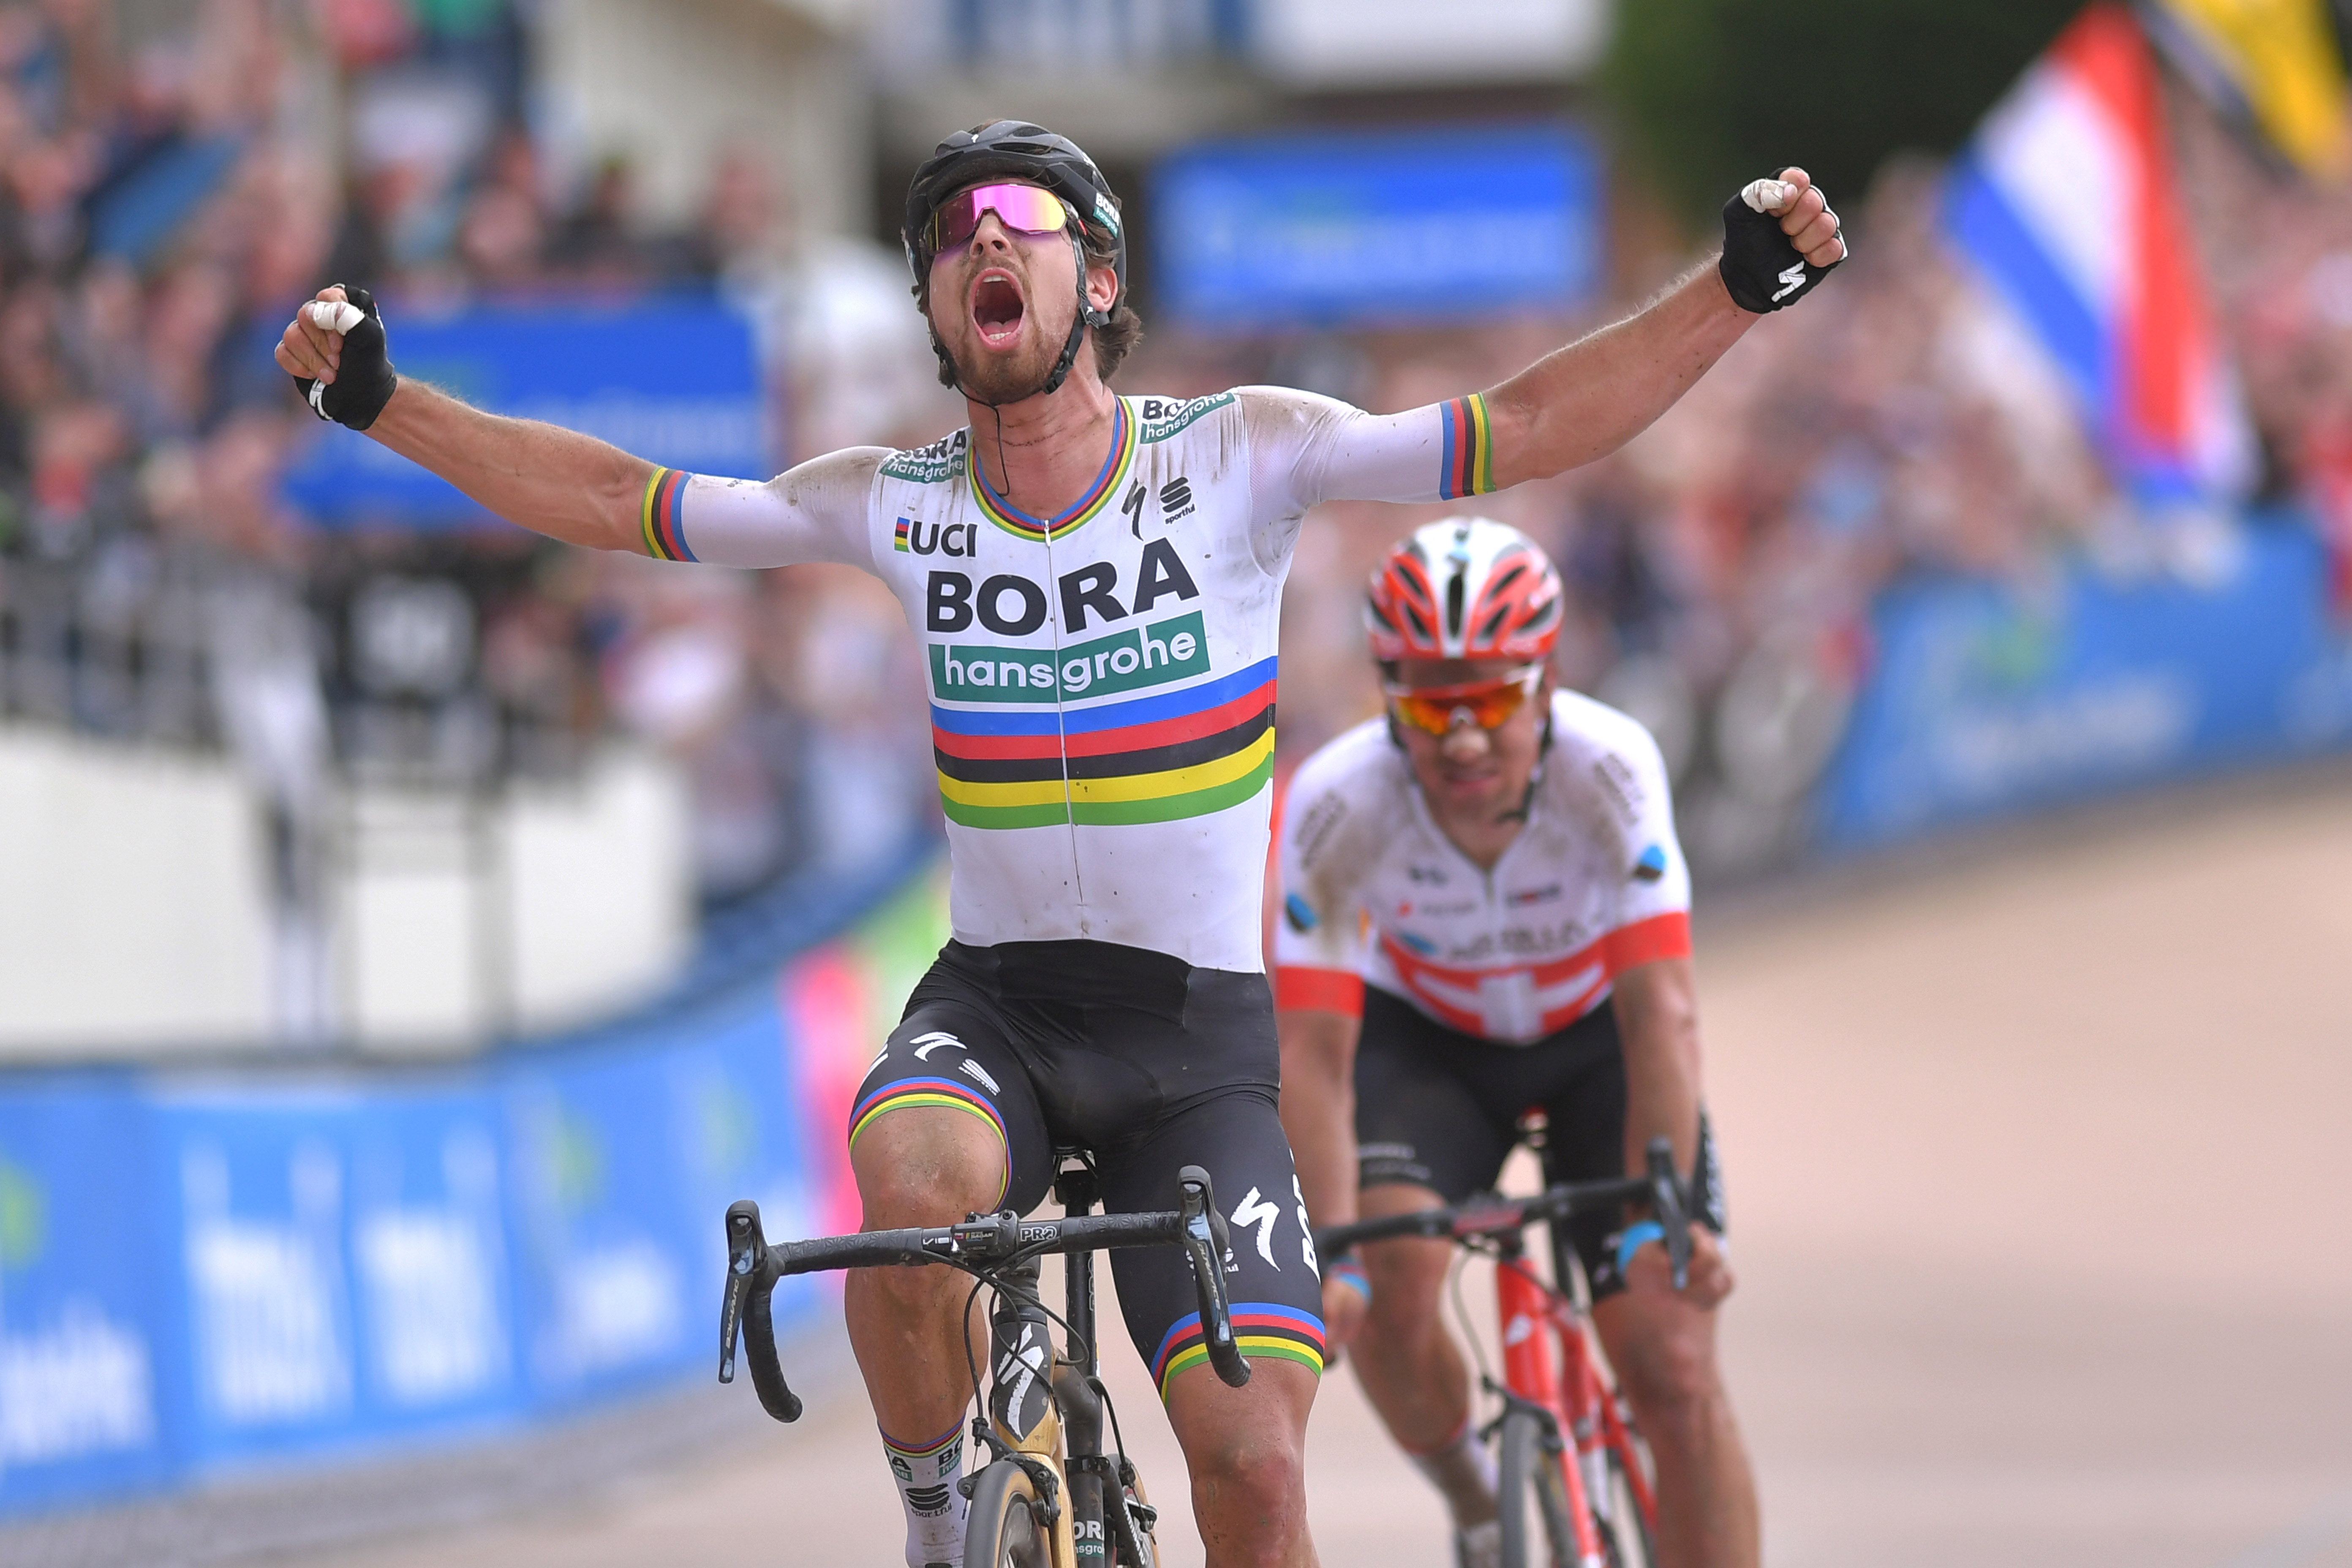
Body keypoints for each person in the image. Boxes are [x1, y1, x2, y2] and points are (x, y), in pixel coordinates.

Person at [274, 120, 1842, 1568]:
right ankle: (941, 1514)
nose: (978, 245)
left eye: (1015, 219)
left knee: (1254, 1474)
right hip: (999, 1008)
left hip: (1199, 1046)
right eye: (945, 233)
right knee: (906, 1186)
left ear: (1095, 276)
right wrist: (382, 405)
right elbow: (619, 497)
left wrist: (1731, 291)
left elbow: (1528, 424)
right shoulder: (893, 501)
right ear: (931, 303)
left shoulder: (1243, 452)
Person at [1273, 517, 1753, 1568]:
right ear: (1388, 694)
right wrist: (1339, 1246)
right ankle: (1484, 1510)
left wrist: (1658, 1212)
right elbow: (1312, 1052)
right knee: (1390, 1289)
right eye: (1431, 705)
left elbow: (1660, 1011)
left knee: (1671, 1359)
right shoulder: (1335, 803)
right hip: (1431, 1044)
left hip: (1598, 1041)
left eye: (1492, 700)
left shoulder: (1610, 767)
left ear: (1545, 683)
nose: (1463, 739)